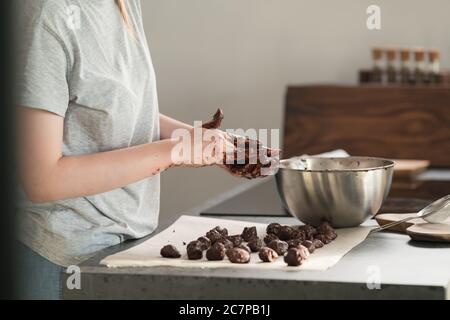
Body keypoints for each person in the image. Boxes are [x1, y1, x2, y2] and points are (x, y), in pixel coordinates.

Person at [15, 0, 274, 299]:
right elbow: (42, 180)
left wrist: (201, 142)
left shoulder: (123, 4)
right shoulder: (47, 14)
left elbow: (119, 113)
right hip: (61, 265)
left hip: (123, 250)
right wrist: (174, 152)